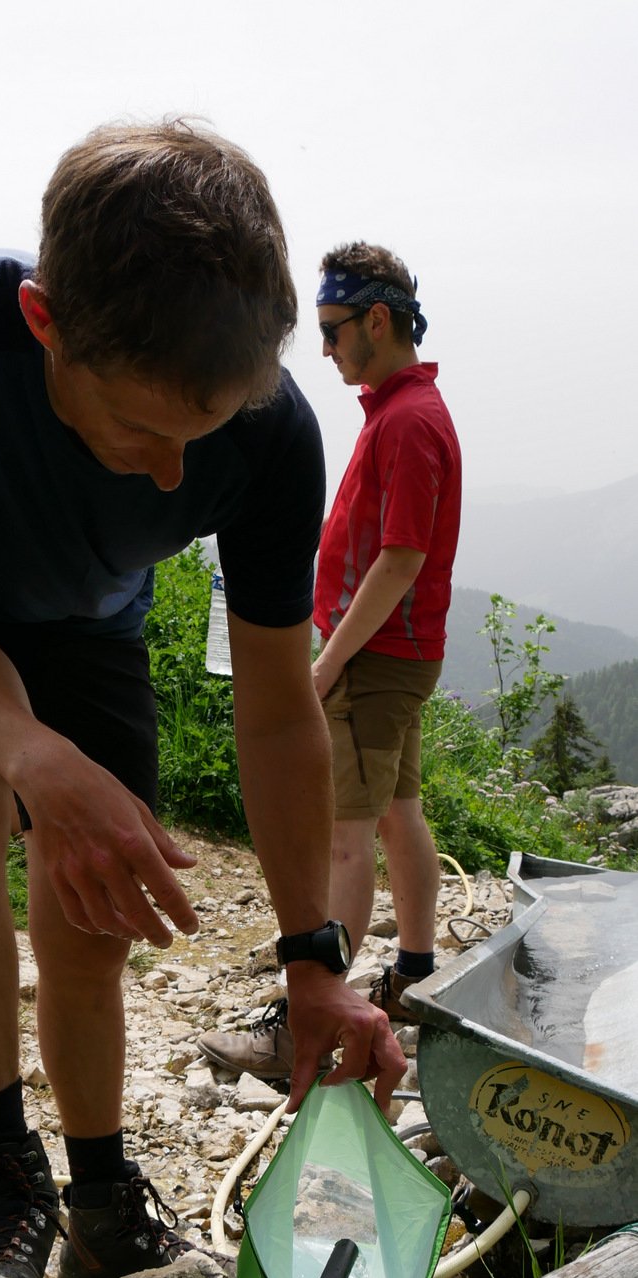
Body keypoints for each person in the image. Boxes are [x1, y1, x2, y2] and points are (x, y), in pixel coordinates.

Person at [0, 123, 406, 1278]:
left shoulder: (269, 434)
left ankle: (98, 1203)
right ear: (46, 324)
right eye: (140, 431)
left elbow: (278, 711)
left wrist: (312, 960)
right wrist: (40, 761)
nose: (165, 479)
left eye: (200, 438)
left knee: (93, 917)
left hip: (86, 628)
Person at [199, 241, 461, 1078]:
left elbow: (400, 558)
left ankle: (308, 1015)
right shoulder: (401, 410)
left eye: (333, 328)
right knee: (396, 812)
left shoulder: (408, 421)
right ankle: (413, 974)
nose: (323, 349)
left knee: (343, 838)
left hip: (376, 655)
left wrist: (324, 664)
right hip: (399, 653)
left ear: (376, 320)